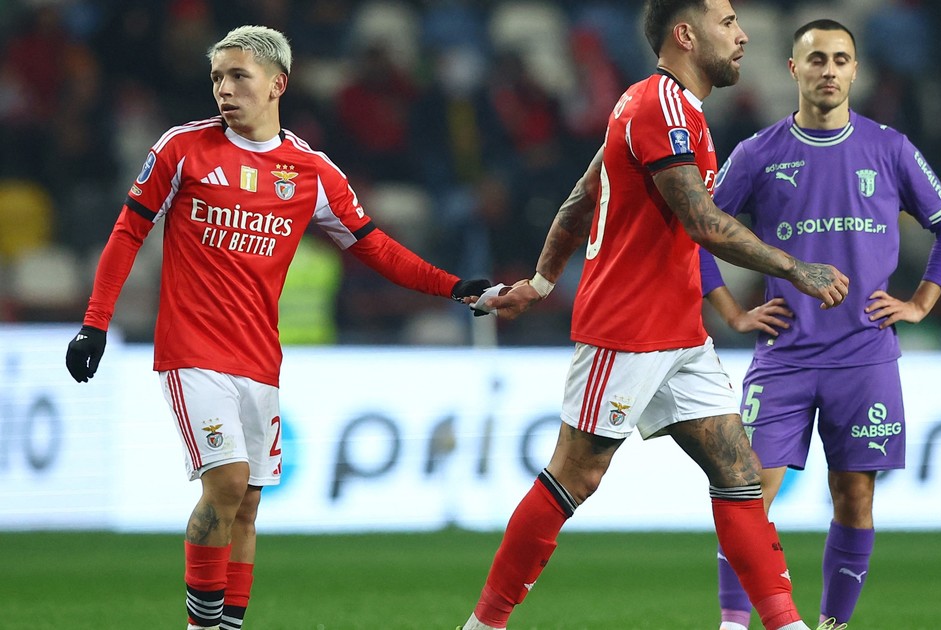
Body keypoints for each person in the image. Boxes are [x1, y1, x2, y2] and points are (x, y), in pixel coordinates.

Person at [63, 26, 489, 630]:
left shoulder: (310, 171)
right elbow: (128, 230)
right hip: (192, 351)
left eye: (239, 76)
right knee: (228, 481)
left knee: (247, 505)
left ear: (277, 84)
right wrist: (95, 324)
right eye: (217, 77)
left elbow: (375, 247)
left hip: (260, 358)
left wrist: (453, 287)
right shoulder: (182, 149)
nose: (224, 89)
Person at [459, 2, 851, 630]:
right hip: (626, 330)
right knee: (576, 475)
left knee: (739, 473)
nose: (743, 35)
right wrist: (796, 268)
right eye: (727, 22)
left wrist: (540, 281)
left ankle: (786, 624)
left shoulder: (664, 107)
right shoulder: (659, 106)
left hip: (679, 334)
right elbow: (703, 222)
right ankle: (483, 625)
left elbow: (582, 197)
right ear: (686, 34)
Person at [700, 19, 941, 630]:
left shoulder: (890, 149)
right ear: (793, 69)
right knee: (745, 494)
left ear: (855, 71)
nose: (829, 70)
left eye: (841, 59)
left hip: (864, 358)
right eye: (816, 58)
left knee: (855, 498)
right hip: (785, 356)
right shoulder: (758, 154)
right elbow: (696, 233)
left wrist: (921, 302)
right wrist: (732, 312)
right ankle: (733, 625)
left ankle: (832, 625)